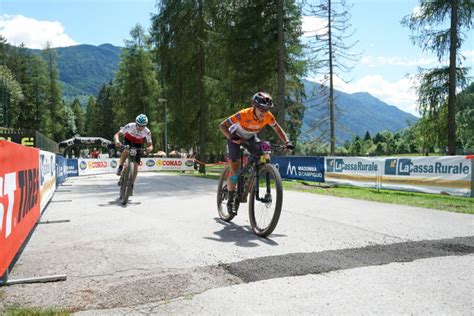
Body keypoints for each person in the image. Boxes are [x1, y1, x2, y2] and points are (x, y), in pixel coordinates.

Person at [219, 91, 293, 214]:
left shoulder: (269, 116)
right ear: (254, 107)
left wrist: (287, 141)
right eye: (262, 109)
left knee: (265, 152)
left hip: (251, 137)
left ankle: (258, 173)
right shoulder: (243, 114)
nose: (264, 112)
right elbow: (222, 126)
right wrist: (232, 137)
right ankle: (231, 199)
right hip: (234, 137)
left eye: (267, 109)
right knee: (235, 170)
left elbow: (277, 128)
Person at [114, 114, 153, 194]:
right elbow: (117, 134)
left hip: (138, 144)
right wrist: (117, 141)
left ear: (145, 125)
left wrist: (149, 149)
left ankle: (131, 184)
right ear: (136, 123)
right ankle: (120, 167)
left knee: (136, 167)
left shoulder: (147, 132)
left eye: (143, 126)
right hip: (128, 140)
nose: (140, 128)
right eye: (138, 125)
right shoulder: (130, 126)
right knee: (126, 151)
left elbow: (150, 144)